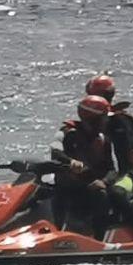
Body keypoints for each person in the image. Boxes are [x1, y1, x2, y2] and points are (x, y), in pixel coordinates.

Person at [84, 72, 133, 233]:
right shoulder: (91, 119)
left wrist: (106, 119)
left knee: (116, 193)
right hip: (105, 173)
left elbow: (124, 143)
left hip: (126, 175)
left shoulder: (121, 120)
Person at [51, 95, 114, 240]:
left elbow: (111, 169)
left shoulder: (103, 139)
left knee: (105, 195)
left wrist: (104, 182)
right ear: (92, 119)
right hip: (68, 188)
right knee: (52, 192)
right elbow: (55, 151)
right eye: (104, 118)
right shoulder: (66, 132)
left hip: (92, 189)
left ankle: (100, 240)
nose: (107, 121)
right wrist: (70, 161)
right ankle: (56, 233)